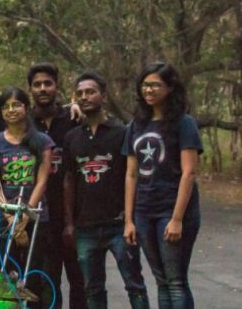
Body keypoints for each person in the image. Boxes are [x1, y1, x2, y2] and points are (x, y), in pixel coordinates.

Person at [62, 72, 149, 309]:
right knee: (93, 289)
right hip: (85, 227)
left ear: (104, 96)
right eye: (80, 93)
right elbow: (68, 180)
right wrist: (69, 223)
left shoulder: (122, 133)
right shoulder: (72, 137)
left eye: (90, 92)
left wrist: (131, 219)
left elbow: (133, 176)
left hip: (118, 224)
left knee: (135, 285)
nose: (85, 97)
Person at [123, 62, 201, 309]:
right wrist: (129, 220)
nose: (149, 90)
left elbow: (189, 172)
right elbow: (131, 174)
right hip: (144, 211)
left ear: (170, 88)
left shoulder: (184, 123)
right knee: (161, 281)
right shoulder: (136, 125)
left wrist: (177, 219)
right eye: (145, 85)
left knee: (176, 281)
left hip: (173, 210)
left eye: (155, 85)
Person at [0, 87, 53, 309]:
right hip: (5, 220)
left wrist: (24, 217)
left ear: (27, 107)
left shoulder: (42, 141)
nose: (11, 110)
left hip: (35, 218)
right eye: (6, 107)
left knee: (33, 277)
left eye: (16, 105)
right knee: (8, 276)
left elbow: (42, 181)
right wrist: (10, 218)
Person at [27, 62, 85, 309]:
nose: (42, 89)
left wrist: (77, 107)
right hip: (40, 214)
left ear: (56, 86)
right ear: (30, 89)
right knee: (46, 281)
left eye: (47, 84)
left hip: (73, 211)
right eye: (37, 84)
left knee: (79, 279)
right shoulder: (25, 123)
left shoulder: (73, 119)